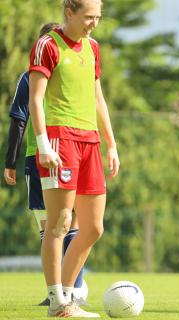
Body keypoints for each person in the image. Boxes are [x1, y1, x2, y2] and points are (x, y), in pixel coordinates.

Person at [28, 0, 119, 317]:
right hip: (59, 139)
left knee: (93, 228)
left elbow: (98, 97)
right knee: (59, 224)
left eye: (98, 17)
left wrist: (111, 143)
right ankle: (57, 301)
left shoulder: (93, 48)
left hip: (90, 141)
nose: (94, 23)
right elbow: (35, 99)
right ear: (69, 12)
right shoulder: (47, 45)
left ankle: (66, 297)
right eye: (89, 16)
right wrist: (43, 144)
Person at [4, 22, 88, 307]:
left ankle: (63, 291)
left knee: (51, 226)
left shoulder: (30, 76)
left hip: (40, 154)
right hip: (70, 149)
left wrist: (9, 162)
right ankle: (70, 290)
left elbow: (18, 118)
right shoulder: (71, 69)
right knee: (70, 222)